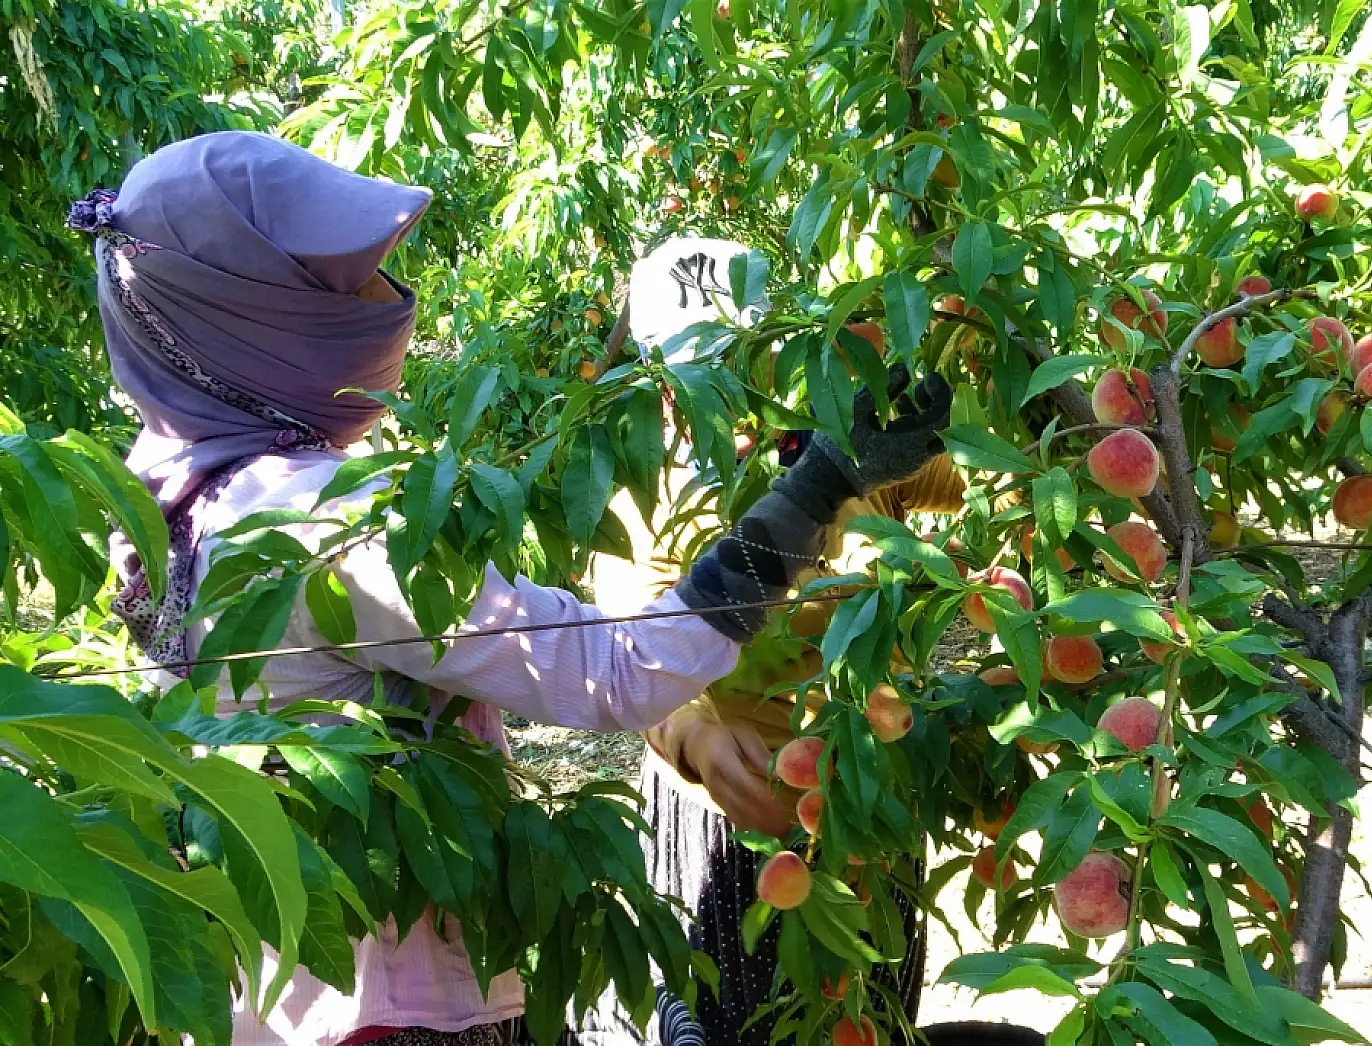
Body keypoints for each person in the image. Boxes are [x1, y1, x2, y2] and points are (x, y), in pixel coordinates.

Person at [66, 132, 951, 1046]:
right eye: (346, 284)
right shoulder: (326, 518)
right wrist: (812, 495)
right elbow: (618, 667)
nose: (390, 303)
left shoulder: (160, 496)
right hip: (395, 1009)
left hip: (270, 991)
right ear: (248, 315)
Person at [576, 239, 966, 1046]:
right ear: (661, 380)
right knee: (743, 1027)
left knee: (872, 1019)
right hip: (739, 822)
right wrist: (697, 738)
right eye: (705, 371)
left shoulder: (841, 453)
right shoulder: (648, 491)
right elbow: (637, 646)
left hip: (870, 809)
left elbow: (968, 469)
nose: (732, 394)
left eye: (748, 360)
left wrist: (965, 349)